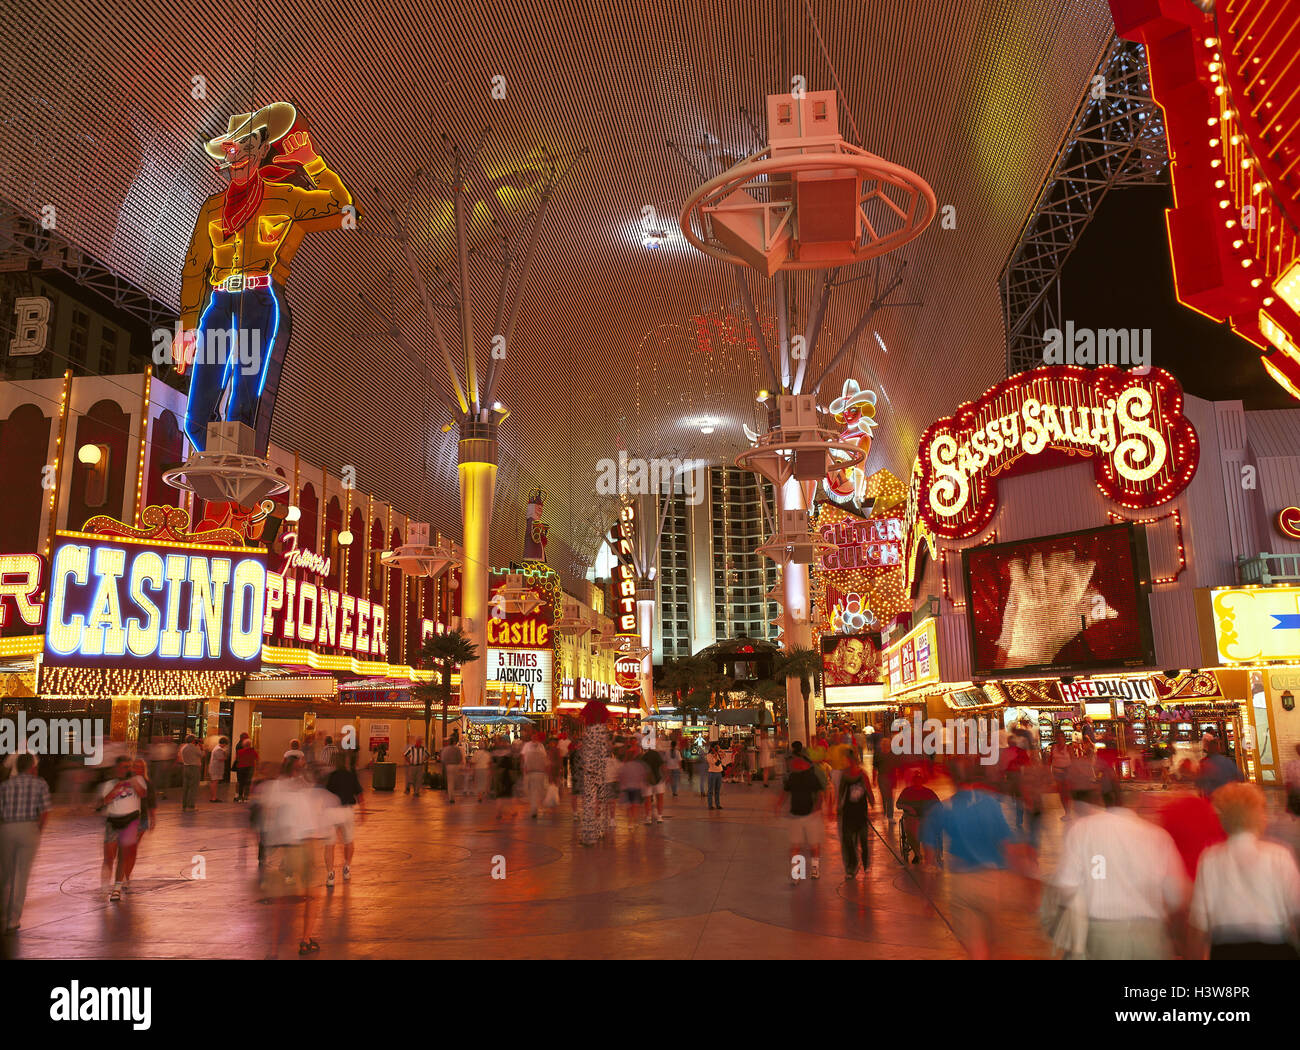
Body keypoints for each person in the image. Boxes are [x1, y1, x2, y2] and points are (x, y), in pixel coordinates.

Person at [1052, 788, 1189, 959]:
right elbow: (1176, 895)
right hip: (1151, 937)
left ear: (1103, 800)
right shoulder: (1159, 836)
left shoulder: (1082, 829)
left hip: (1101, 935)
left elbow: (1066, 886)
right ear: (1137, 803)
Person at [1187, 782, 1300, 959]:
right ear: (1258, 816)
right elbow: (1297, 913)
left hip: (1226, 952)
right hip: (1276, 950)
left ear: (1223, 818)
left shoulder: (1209, 859)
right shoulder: (1279, 855)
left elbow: (1198, 927)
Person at [921, 763, 1022, 959]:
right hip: (992, 883)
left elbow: (930, 862)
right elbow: (1008, 846)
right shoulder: (991, 803)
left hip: (962, 885)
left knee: (976, 948)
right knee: (993, 944)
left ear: (953, 780)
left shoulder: (942, 809)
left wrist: (928, 897)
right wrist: (1018, 879)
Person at [0, 754, 52, 932]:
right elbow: (45, 811)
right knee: (20, 875)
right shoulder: (40, 784)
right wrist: (38, 830)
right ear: (32, 767)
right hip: (29, 828)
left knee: (4, 873)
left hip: (7, 828)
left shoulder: (5, 785)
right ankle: (13, 920)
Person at [95, 755, 149, 902]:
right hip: (112, 820)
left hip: (130, 820)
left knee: (123, 857)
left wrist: (131, 781)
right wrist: (115, 789)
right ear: (117, 768)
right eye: (125, 767)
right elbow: (102, 803)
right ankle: (104, 886)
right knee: (108, 857)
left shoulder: (138, 780)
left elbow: (142, 793)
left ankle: (117, 888)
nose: (128, 769)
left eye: (129, 766)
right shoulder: (109, 783)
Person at [776, 742, 824, 881]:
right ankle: (798, 873)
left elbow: (820, 794)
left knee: (812, 844)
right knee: (797, 845)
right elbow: (785, 793)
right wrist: (778, 805)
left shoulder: (811, 776)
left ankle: (814, 869)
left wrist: (817, 808)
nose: (792, 765)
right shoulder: (793, 777)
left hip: (810, 815)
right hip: (796, 815)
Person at [323, 752, 365, 889]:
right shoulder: (351, 776)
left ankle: (330, 875)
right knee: (348, 842)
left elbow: (325, 795)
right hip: (347, 811)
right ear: (345, 762)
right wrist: (363, 812)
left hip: (332, 812)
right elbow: (360, 795)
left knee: (330, 845)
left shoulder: (330, 777)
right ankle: (346, 867)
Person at [837, 749, 874, 879]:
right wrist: (838, 807)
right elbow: (841, 792)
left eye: (846, 759)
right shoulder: (845, 775)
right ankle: (852, 866)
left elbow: (868, 790)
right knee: (848, 840)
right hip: (848, 811)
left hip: (861, 812)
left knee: (863, 840)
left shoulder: (862, 774)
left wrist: (872, 805)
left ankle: (866, 863)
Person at [897, 769, 941, 865]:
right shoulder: (907, 791)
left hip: (926, 817)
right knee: (913, 831)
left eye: (919, 779)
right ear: (913, 780)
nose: (918, 781)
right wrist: (908, 807)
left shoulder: (928, 792)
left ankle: (928, 853)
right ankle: (917, 853)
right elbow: (898, 804)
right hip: (911, 816)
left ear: (922, 780)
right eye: (916, 779)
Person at [617, 742, 650, 829]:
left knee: (629, 806)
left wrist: (621, 786)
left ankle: (630, 822)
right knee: (635, 805)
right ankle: (634, 821)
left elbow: (620, 777)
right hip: (636, 788)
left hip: (627, 788)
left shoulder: (624, 766)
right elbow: (643, 776)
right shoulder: (639, 765)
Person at [520, 731, 550, 819]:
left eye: (536, 736)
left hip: (540, 772)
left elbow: (545, 758)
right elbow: (523, 757)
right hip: (530, 772)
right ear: (531, 737)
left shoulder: (541, 746)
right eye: (533, 736)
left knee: (539, 791)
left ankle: (535, 808)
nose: (534, 738)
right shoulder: (527, 745)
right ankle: (534, 809)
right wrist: (523, 767)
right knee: (532, 791)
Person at [641, 741, 667, 824]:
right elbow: (662, 766)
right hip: (658, 779)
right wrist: (666, 776)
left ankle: (648, 817)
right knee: (660, 798)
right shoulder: (657, 755)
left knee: (647, 799)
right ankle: (659, 816)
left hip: (647, 780)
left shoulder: (644, 756)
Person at [147, 735, 177, 799]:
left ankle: (164, 794)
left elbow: (170, 755)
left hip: (163, 763)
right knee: (154, 779)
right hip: (153, 763)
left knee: (161, 779)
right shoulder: (151, 746)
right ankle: (154, 793)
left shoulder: (164, 746)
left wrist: (170, 764)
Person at [179, 734, 203, 811]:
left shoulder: (184, 748)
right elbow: (202, 755)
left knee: (186, 787)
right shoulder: (194, 748)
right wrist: (201, 747)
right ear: (193, 740)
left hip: (186, 767)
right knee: (193, 787)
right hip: (194, 768)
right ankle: (191, 806)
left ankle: (184, 805)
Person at [233, 734, 258, 802]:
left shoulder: (240, 751)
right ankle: (246, 797)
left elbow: (237, 759)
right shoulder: (252, 751)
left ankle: (240, 797)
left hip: (241, 768)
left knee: (241, 782)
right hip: (250, 768)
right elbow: (257, 758)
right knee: (248, 783)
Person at [441, 736, 464, 804]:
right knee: (455, 780)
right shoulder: (457, 749)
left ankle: (451, 797)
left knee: (450, 782)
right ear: (454, 742)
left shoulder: (446, 749)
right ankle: (454, 793)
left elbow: (443, 758)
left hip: (449, 766)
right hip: (456, 766)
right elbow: (460, 757)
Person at [705, 742, 726, 811]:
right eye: (716, 747)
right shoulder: (709, 755)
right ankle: (710, 805)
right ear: (712, 748)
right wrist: (716, 755)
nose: (717, 749)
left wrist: (720, 751)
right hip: (712, 773)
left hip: (719, 773)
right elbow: (716, 763)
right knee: (711, 790)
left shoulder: (717, 754)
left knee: (717, 790)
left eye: (717, 747)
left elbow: (724, 756)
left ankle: (718, 804)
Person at [208, 737, 229, 802]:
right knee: (214, 783)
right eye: (225, 744)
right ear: (223, 743)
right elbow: (221, 758)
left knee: (213, 782)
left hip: (214, 768)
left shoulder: (216, 748)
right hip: (216, 769)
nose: (225, 746)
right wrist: (225, 755)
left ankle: (213, 797)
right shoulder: (218, 749)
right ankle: (213, 798)